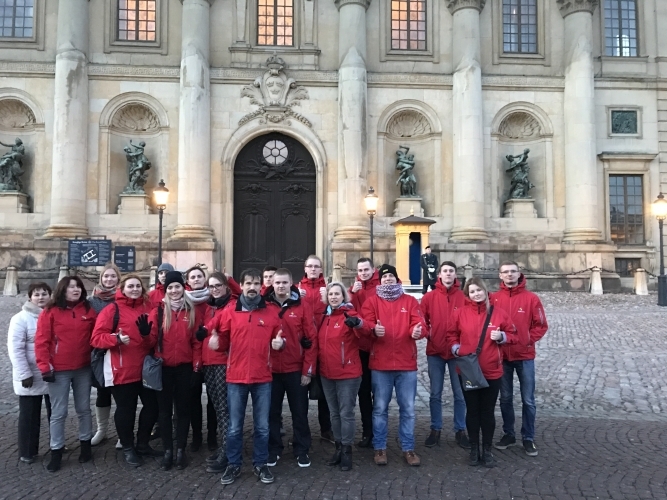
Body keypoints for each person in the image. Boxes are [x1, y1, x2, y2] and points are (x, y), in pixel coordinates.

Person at [211, 268, 282, 486]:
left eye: (255, 283)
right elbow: (221, 339)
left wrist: (281, 345)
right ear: (241, 285)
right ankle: (233, 464)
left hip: (262, 377)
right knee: (234, 427)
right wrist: (216, 345)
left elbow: (279, 339)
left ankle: (260, 464)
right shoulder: (230, 311)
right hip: (236, 377)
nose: (252, 287)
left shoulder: (271, 312)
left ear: (261, 285)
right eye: (248, 283)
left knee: (262, 426)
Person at [356, 264, 427, 466]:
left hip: (406, 365)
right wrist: (372, 329)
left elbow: (421, 325)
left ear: (397, 280)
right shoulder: (371, 302)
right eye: (385, 277)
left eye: (391, 277)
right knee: (379, 409)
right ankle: (380, 447)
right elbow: (364, 324)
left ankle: (408, 448)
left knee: (408, 409)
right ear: (380, 280)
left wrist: (417, 331)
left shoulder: (410, 301)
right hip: (381, 364)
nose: (388, 279)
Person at [90, 274, 160, 467]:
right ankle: (128, 447)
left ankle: (143, 443)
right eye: (131, 286)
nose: (135, 289)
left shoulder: (148, 308)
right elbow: (96, 339)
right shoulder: (112, 309)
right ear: (123, 288)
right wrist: (116, 340)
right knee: (126, 410)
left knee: (152, 407)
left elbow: (152, 341)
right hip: (122, 368)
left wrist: (146, 336)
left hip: (145, 369)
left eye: (138, 286)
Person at [447, 277, 516, 468]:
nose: (476, 294)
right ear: (467, 294)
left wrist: (502, 336)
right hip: (469, 370)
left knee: (487, 412)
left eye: (479, 290)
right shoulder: (460, 314)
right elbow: (450, 335)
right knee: (472, 411)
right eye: (472, 291)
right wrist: (456, 349)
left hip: (492, 370)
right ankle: (473, 448)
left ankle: (487, 449)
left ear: (485, 291)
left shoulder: (498, 314)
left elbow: (513, 334)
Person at [35, 276, 98, 472]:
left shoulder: (88, 310)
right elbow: (42, 341)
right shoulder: (50, 312)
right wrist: (44, 367)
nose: (76, 289)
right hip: (59, 369)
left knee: (83, 409)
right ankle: (56, 449)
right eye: (71, 287)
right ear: (63, 290)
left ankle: (85, 445)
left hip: (83, 368)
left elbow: (96, 336)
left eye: (78, 286)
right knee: (59, 412)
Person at [148, 271, 203, 471]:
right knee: (164, 412)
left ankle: (180, 448)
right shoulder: (159, 311)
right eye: (170, 287)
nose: (174, 290)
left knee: (183, 410)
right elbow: (152, 341)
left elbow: (197, 342)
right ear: (166, 290)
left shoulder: (192, 311)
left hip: (185, 367)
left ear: (183, 288)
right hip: (163, 368)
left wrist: (197, 366)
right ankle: (168, 449)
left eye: (177, 287)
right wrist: (146, 335)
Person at [492, 261, 548, 457]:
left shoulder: (531, 299)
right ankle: (509, 433)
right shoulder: (493, 298)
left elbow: (540, 325)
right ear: (500, 276)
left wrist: (526, 340)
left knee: (528, 400)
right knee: (505, 398)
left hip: (524, 356)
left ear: (519, 274)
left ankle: (528, 437)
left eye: (512, 272)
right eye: (505, 272)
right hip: (502, 356)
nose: (509, 275)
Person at [264, 268, 317, 468]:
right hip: (270, 371)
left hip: (295, 369)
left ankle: (301, 449)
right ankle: (274, 449)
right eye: (277, 283)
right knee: (271, 413)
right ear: (272, 284)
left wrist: (307, 371)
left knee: (300, 412)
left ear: (291, 283)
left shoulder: (302, 306)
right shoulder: (264, 305)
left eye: (284, 283)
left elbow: (312, 340)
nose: (280, 286)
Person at [420, 261, 469, 449]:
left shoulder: (464, 297)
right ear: (439, 275)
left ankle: (460, 429)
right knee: (435, 393)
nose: (448, 274)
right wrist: (428, 332)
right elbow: (421, 320)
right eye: (445, 271)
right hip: (436, 351)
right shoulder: (429, 297)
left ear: (455, 275)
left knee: (460, 394)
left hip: (458, 352)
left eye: (451, 271)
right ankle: (435, 428)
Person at [319, 282, 363, 471]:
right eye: (331, 294)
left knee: (346, 413)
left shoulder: (349, 314)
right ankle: (338, 446)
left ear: (344, 296)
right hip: (327, 373)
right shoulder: (324, 317)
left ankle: (347, 450)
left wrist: (358, 324)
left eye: (337, 294)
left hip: (348, 373)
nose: (334, 297)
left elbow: (366, 329)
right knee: (334, 413)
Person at [8, 282, 52, 464]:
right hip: (31, 374)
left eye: (44, 293)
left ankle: (56, 443)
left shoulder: (54, 315)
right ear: (29, 297)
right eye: (36, 294)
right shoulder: (20, 318)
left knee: (55, 413)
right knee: (29, 414)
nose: (40, 297)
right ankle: (27, 450)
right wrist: (24, 373)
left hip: (51, 373)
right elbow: (15, 348)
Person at [199, 271, 236, 473]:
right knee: (217, 408)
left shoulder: (231, 306)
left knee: (224, 410)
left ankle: (228, 453)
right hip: (208, 363)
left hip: (223, 362)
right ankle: (225, 448)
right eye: (211, 286)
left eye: (218, 286)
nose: (214, 289)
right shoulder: (208, 307)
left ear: (225, 286)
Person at [297, 254, 333, 443]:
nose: (312, 269)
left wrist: (328, 298)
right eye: (309, 266)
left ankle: (326, 428)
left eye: (316, 266)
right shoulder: (297, 289)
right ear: (305, 268)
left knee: (325, 391)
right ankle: (301, 432)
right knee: (300, 392)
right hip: (303, 347)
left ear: (320, 269)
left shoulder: (327, 289)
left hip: (324, 346)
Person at [88, 263, 122, 449]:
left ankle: (121, 432)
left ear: (118, 278)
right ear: (101, 279)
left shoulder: (123, 298)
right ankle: (101, 429)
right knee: (102, 391)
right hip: (99, 352)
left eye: (113, 276)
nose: (109, 279)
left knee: (120, 394)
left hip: (120, 349)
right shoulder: (91, 300)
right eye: (106, 276)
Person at [185, 265, 217, 453]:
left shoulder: (213, 301)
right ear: (187, 281)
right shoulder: (182, 301)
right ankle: (196, 435)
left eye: (199, 276)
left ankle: (212, 435)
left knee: (213, 400)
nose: (196, 279)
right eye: (193, 277)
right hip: (190, 358)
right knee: (192, 401)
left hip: (212, 356)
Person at [348, 257, 379, 448]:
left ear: (373, 269)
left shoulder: (380, 286)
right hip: (361, 346)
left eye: (366, 269)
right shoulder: (355, 289)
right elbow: (350, 312)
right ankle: (368, 431)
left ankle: (379, 431)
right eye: (360, 270)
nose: (363, 273)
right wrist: (352, 293)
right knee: (364, 392)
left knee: (380, 393)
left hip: (378, 345)